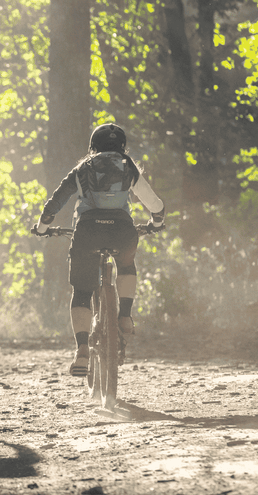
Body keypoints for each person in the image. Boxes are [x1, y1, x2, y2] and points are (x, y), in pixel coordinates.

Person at [33, 123, 164, 377]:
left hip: (88, 232)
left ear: (93, 146)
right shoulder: (129, 168)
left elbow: (54, 204)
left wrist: (41, 228)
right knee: (126, 264)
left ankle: (82, 351)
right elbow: (155, 204)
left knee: (82, 291)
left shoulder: (83, 169)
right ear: (122, 146)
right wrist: (156, 223)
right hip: (122, 230)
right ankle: (124, 316)